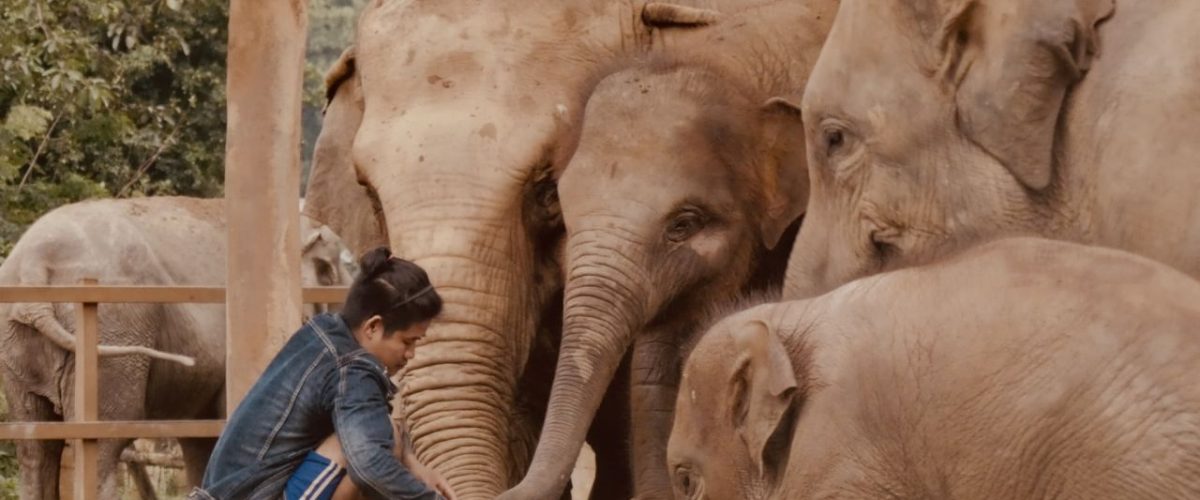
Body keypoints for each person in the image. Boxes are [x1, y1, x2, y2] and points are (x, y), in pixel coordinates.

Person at [190, 247, 456, 500]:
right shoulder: (352, 370)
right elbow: (369, 466)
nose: (411, 354)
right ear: (373, 327)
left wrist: (414, 464)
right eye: (407, 342)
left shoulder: (325, 333)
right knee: (376, 442)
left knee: (381, 431)